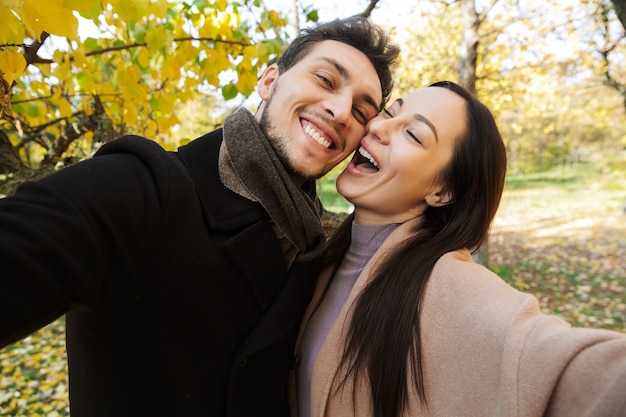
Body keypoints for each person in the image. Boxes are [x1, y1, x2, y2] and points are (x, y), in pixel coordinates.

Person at [0, 17, 400, 417]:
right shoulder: (147, 186)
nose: (341, 110)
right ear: (268, 81)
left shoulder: (315, 252)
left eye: (362, 111)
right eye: (326, 80)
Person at [290, 81, 626, 417]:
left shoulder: (450, 286)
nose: (377, 127)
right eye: (390, 112)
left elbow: (564, 363)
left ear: (442, 191)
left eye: (414, 134)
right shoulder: (322, 250)